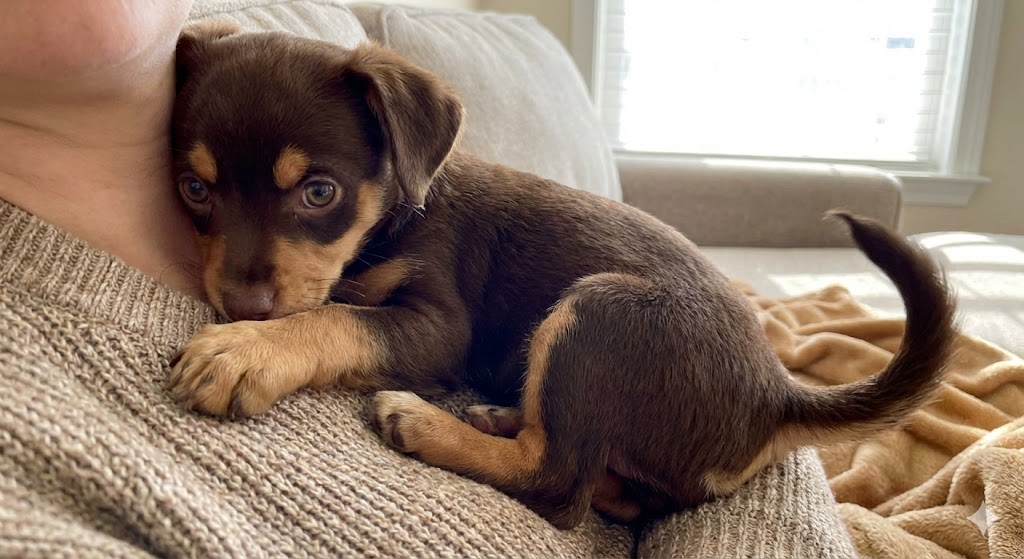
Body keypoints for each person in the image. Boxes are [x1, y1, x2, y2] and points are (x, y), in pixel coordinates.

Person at [0, 1, 856, 557]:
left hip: (685, 378)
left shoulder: (414, 229)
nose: (249, 284)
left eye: (318, 193)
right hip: (663, 427)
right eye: (201, 191)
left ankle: (542, 464)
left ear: (401, 157)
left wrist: (305, 339)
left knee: (598, 318)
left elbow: (748, 426)